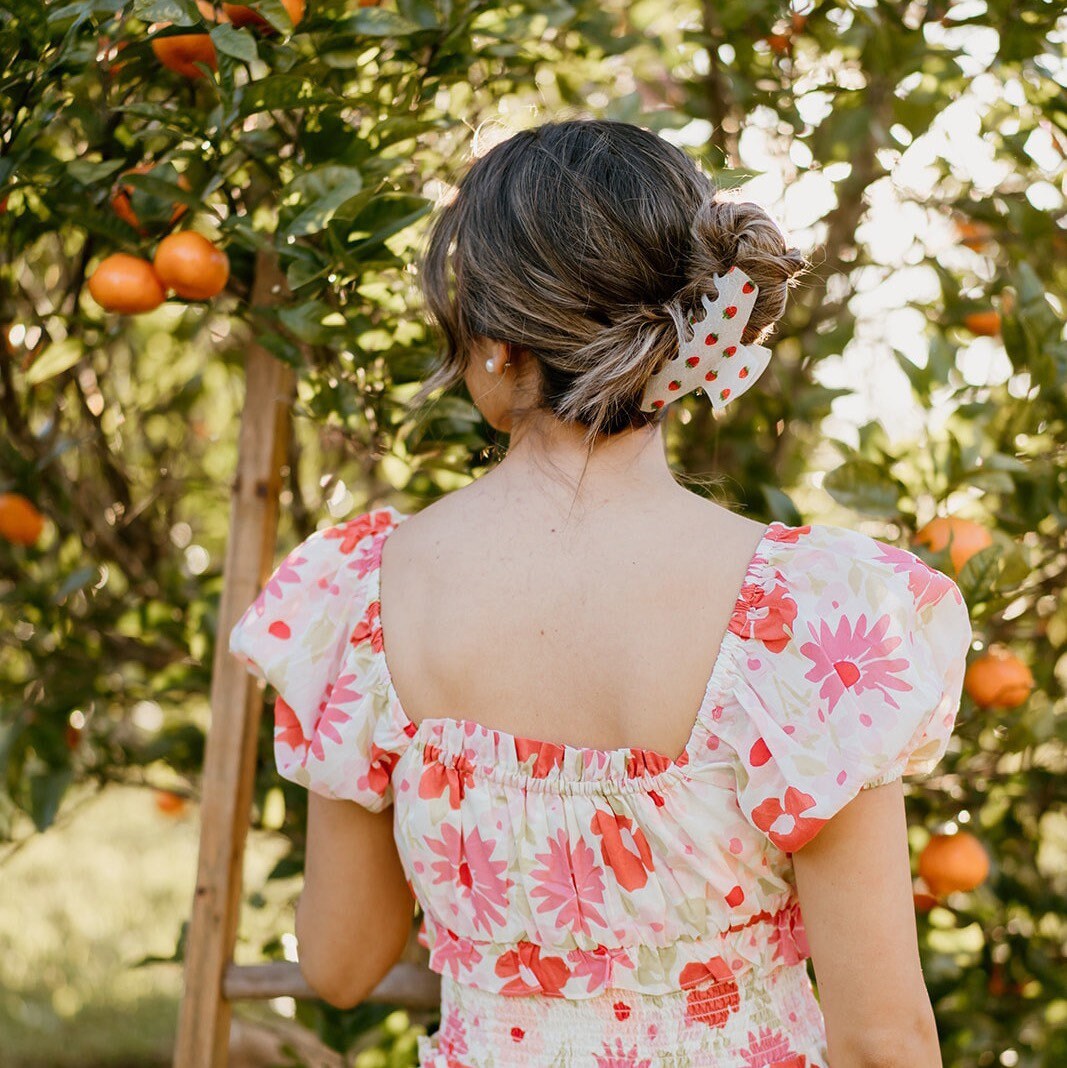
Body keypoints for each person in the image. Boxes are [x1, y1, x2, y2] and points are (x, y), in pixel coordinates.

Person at [228, 118, 972, 1067]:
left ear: (494, 344)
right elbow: (883, 1037)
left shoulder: (360, 596)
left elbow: (340, 962)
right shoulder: (814, 620)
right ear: (691, 332)